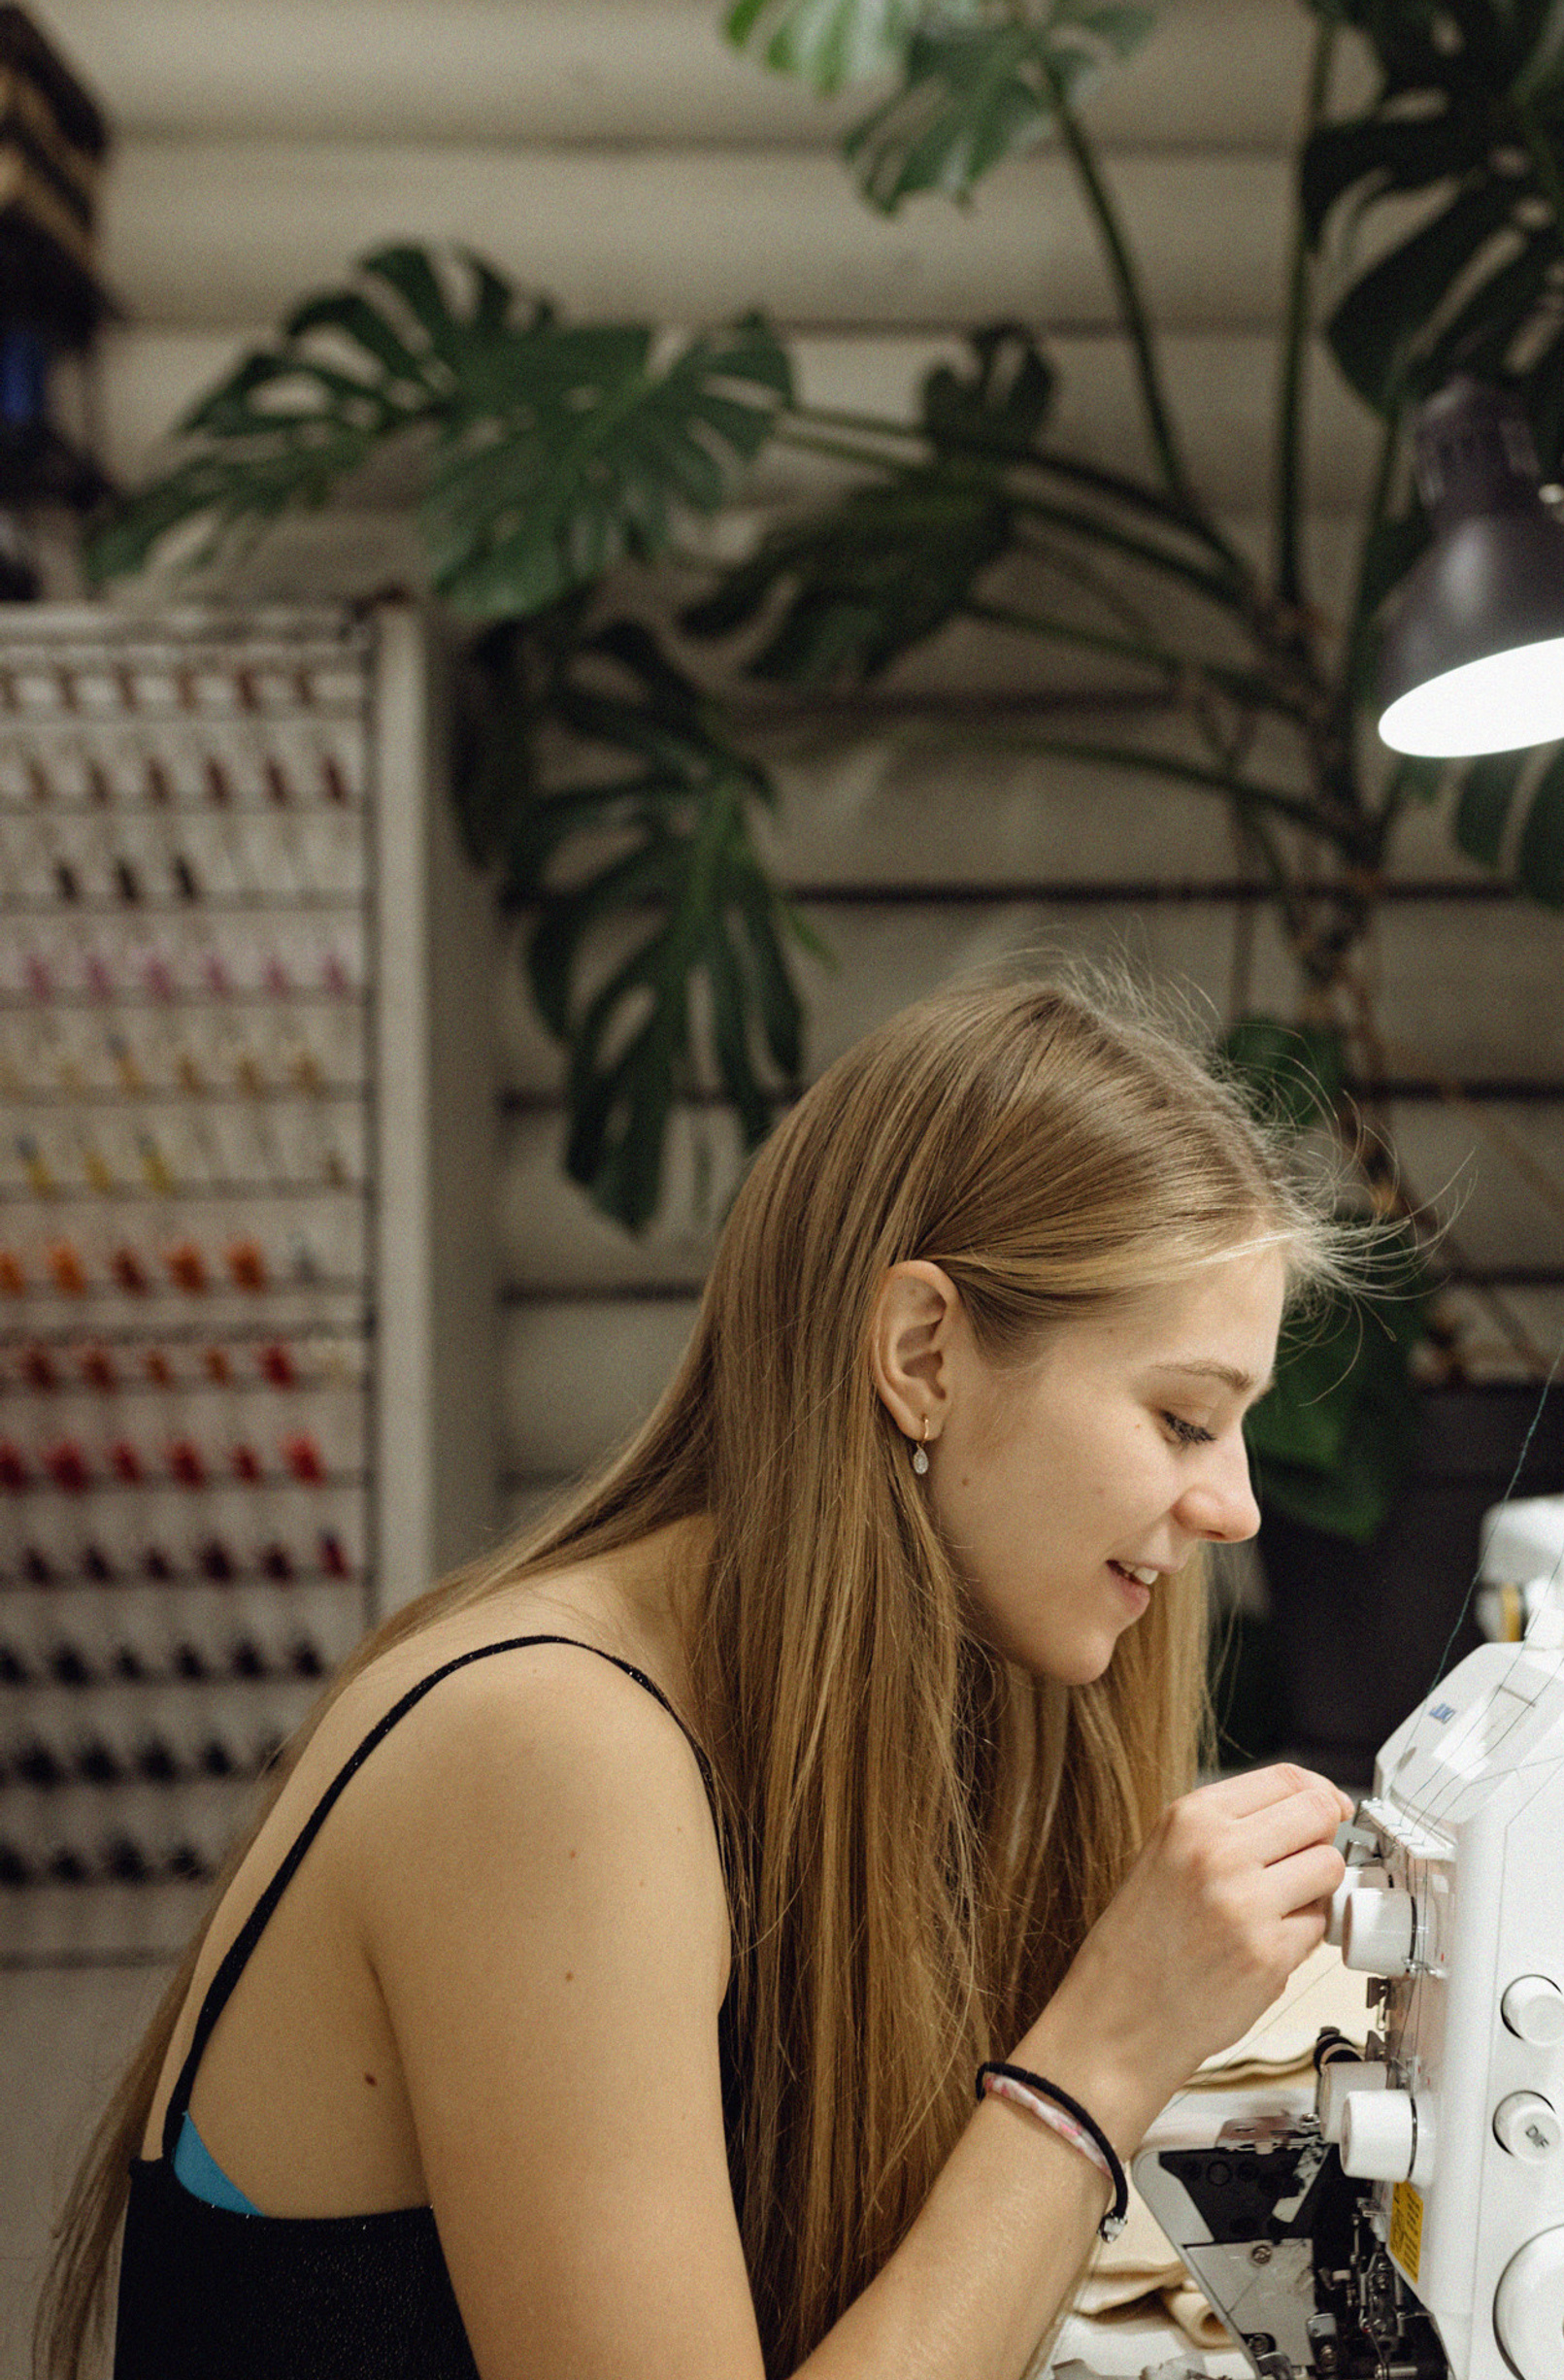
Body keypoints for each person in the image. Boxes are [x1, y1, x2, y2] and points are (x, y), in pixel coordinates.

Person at [41, 974, 1370, 2380]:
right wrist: (1095, 2063)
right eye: (1180, 1419)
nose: (1234, 1506)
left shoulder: (849, 1718)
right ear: (925, 1355)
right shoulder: (552, 1745)